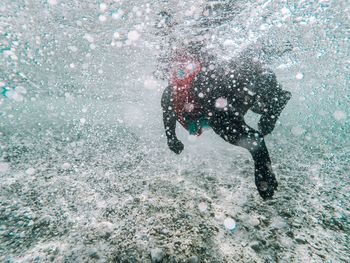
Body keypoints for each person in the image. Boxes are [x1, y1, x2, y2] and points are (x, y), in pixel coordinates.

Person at [157, 12, 291, 200]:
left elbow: (169, 111)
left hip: (224, 97)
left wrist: (172, 138)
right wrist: (171, 138)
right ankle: (273, 103)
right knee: (256, 99)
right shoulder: (184, 92)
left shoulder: (198, 101)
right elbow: (168, 111)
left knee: (254, 113)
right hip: (236, 88)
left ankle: (272, 105)